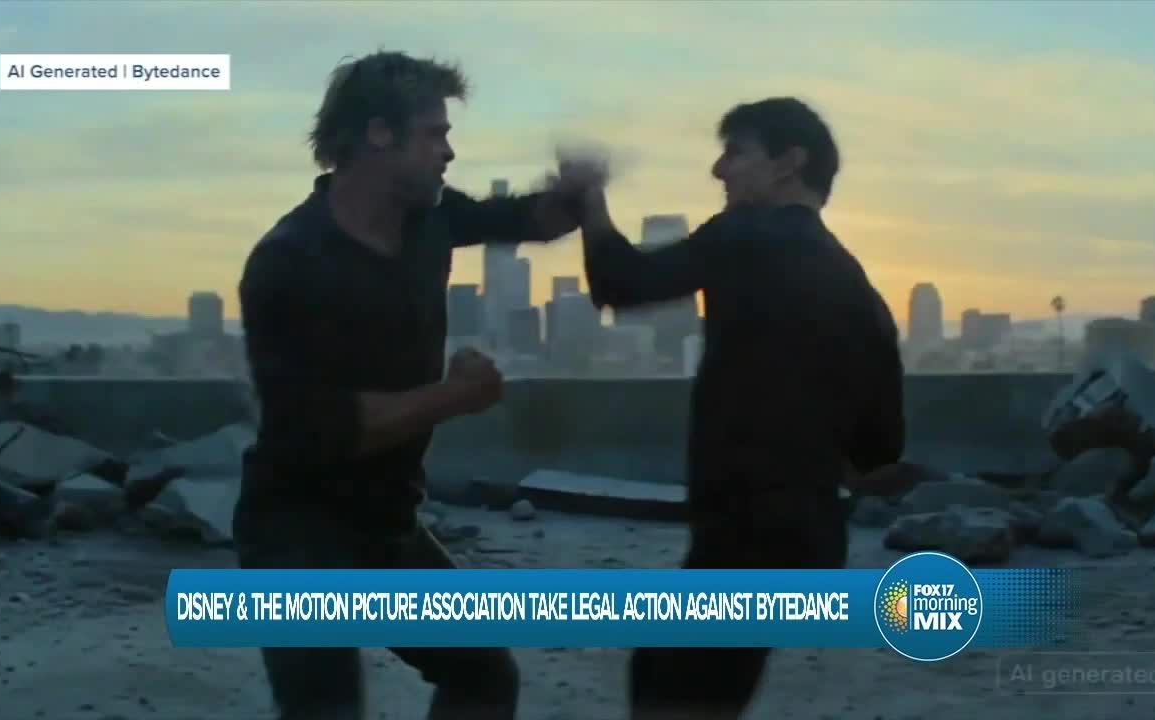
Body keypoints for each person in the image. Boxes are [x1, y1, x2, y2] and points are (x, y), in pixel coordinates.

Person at [232, 51, 595, 720]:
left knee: (484, 678)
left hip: (386, 523)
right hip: (295, 535)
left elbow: (522, 219)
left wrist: (573, 192)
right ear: (378, 134)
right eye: (434, 134)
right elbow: (317, 429)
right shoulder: (288, 261)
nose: (448, 152)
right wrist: (454, 396)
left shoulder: (429, 218)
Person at [568, 98, 906, 719]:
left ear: (788, 163)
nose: (719, 171)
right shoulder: (859, 287)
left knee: (671, 691)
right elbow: (880, 449)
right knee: (689, 681)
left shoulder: (746, 233)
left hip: (745, 535)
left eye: (736, 153)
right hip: (805, 537)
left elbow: (621, 282)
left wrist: (589, 197)